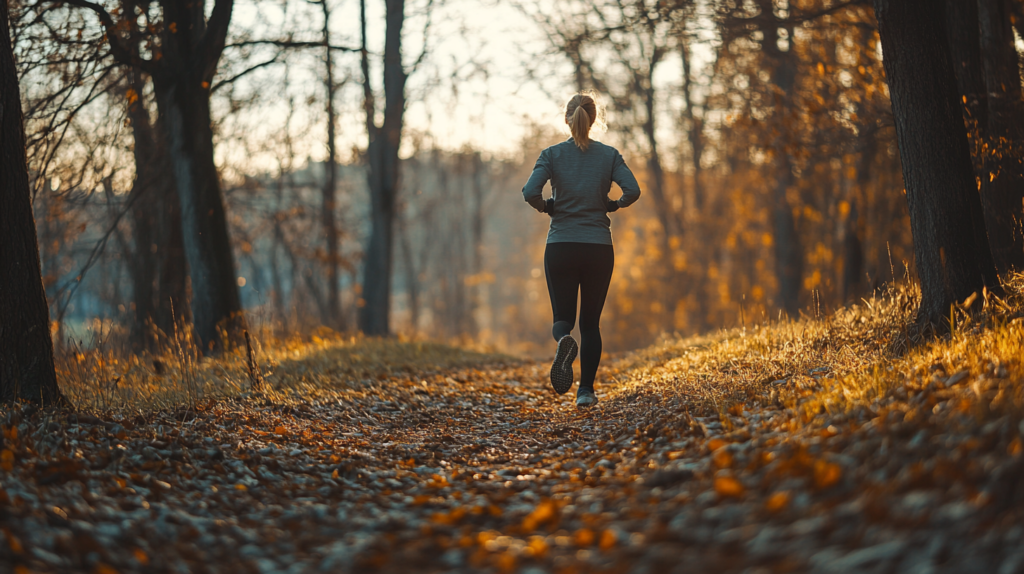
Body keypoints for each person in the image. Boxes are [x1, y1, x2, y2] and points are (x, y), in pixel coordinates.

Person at [521, 92, 642, 408]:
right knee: (591, 324)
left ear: (567, 118)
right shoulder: (609, 155)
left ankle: (564, 342)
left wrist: (548, 206)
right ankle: (585, 392)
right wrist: (613, 204)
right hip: (598, 248)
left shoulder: (551, 155)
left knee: (563, 318)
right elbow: (633, 190)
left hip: (561, 245)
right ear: (594, 119)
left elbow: (529, 191)